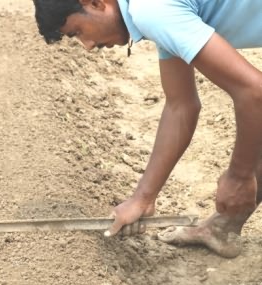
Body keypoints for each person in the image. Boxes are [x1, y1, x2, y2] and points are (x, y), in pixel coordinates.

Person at [32, 0, 262, 258]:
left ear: (95, 3)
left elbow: (253, 92)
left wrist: (239, 177)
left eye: (77, 32)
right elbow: (181, 106)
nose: (87, 46)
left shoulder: (152, 11)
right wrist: (142, 198)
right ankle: (222, 228)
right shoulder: (155, 11)